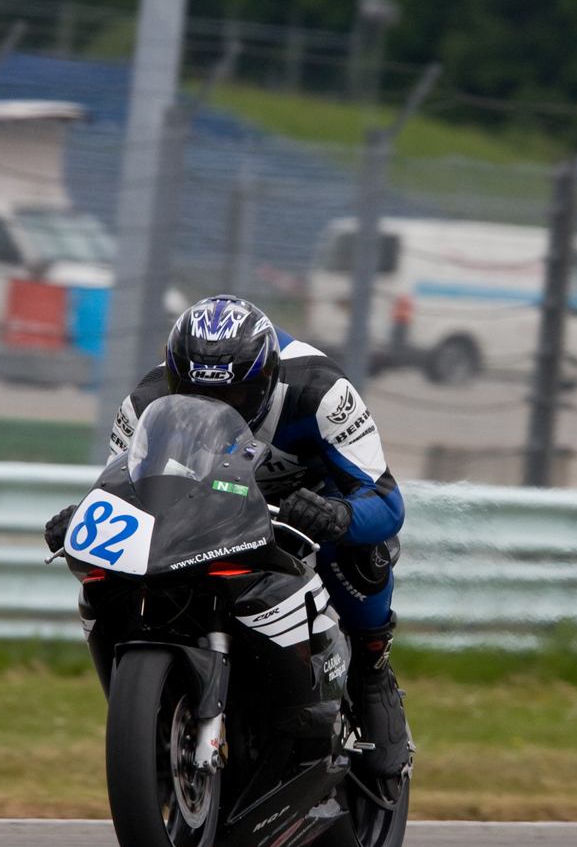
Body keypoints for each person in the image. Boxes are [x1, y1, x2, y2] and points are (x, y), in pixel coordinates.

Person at [45, 295, 412, 779]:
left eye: (234, 396)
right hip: (213, 501)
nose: (216, 406)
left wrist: (337, 513)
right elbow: (125, 483)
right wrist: (82, 515)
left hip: (310, 499)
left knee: (362, 551)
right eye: (195, 392)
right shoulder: (144, 401)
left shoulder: (322, 391)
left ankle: (373, 671)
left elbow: (387, 503)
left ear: (265, 379)